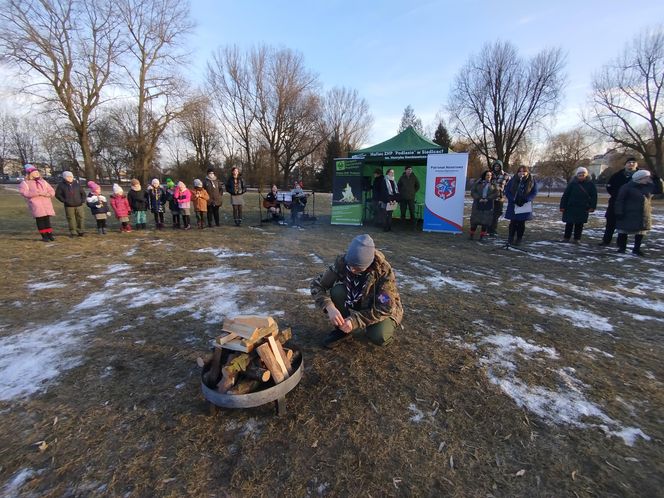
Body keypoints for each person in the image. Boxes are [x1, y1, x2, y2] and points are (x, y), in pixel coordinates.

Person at [310, 234, 403, 348]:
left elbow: (384, 307)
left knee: (379, 336)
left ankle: (377, 330)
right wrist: (329, 307)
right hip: (358, 298)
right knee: (337, 291)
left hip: (380, 307)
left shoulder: (383, 272)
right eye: (351, 266)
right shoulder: (343, 262)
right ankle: (343, 330)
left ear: (368, 264)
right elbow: (317, 285)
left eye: (358, 268)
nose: (352, 270)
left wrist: (355, 321)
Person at [614, 169, 663, 256]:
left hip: (643, 213)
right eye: (647, 178)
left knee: (640, 232)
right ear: (640, 178)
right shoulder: (627, 187)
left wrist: (657, 179)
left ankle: (636, 249)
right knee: (623, 231)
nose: (648, 179)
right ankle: (622, 248)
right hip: (628, 212)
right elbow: (620, 200)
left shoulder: (648, 186)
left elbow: (660, 190)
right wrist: (619, 211)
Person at [599, 157, 639, 246]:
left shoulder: (639, 176)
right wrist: (617, 195)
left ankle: (622, 245)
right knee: (610, 223)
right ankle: (606, 240)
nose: (631, 164)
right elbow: (609, 186)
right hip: (615, 201)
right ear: (625, 164)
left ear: (636, 164)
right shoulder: (617, 175)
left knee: (624, 225)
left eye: (633, 162)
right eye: (629, 162)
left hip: (631, 204)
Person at [19, 164, 57, 242]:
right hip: (36, 205)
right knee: (40, 220)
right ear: (30, 174)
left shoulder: (43, 182)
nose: (37, 173)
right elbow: (24, 193)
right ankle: (44, 235)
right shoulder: (25, 183)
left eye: (37, 172)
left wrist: (47, 194)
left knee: (47, 219)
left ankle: (50, 234)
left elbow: (51, 191)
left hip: (46, 203)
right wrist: (36, 193)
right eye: (35, 172)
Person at [559, 167, 597, 244]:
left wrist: (592, 207)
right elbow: (565, 195)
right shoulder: (572, 184)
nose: (581, 176)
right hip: (571, 206)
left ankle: (577, 239)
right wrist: (562, 206)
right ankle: (566, 238)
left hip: (583, 207)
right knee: (569, 223)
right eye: (579, 174)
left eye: (583, 174)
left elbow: (594, 196)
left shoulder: (590, 185)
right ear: (577, 175)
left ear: (586, 175)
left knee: (579, 224)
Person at [504, 165, 538, 246]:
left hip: (524, 205)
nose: (522, 173)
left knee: (521, 223)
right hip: (513, 204)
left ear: (527, 172)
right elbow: (507, 191)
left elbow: (534, 192)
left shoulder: (531, 180)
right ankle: (510, 238)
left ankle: (519, 238)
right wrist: (513, 199)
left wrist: (526, 199)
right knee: (513, 222)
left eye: (524, 171)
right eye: (520, 171)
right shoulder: (513, 180)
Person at [55, 171, 86, 237]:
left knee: (81, 218)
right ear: (64, 178)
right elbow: (58, 195)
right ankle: (73, 232)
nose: (70, 178)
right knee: (71, 219)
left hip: (79, 204)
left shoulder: (77, 184)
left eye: (71, 176)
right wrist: (64, 201)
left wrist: (82, 200)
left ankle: (81, 231)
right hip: (69, 206)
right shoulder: (61, 185)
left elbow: (83, 193)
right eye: (68, 177)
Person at [469, 170, 498, 241]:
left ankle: (482, 236)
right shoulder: (478, 183)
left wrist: (488, 198)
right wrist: (478, 198)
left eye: (490, 175)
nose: (489, 177)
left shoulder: (493, 184)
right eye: (487, 175)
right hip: (478, 203)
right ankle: (471, 235)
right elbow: (473, 191)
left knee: (485, 221)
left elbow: (496, 193)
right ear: (484, 176)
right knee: (474, 221)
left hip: (488, 204)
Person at [488, 160, 511, 237]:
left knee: (497, 213)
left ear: (500, 167)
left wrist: (504, 192)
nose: (496, 167)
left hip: (500, 198)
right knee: (490, 213)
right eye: (495, 166)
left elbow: (509, 186)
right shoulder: (490, 174)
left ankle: (493, 228)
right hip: (491, 197)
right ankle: (490, 229)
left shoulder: (506, 175)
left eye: (498, 166)